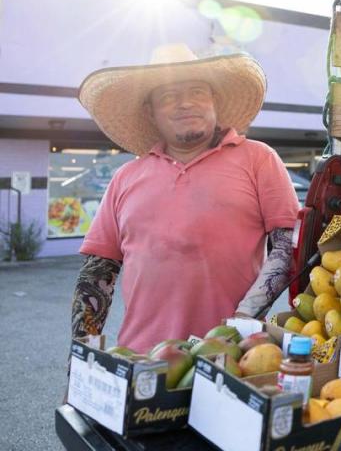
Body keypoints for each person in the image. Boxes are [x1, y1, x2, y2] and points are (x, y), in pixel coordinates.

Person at [71, 44, 300, 353]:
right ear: (150, 112)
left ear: (215, 101)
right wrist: (82, 357)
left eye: (197, 91)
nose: (185, 103)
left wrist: (240, 321)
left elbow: (287, 247)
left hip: (234, 358)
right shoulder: (125, 177)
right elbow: (97, 273)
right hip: (141, 359)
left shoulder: (258, 159)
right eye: (168, 96)